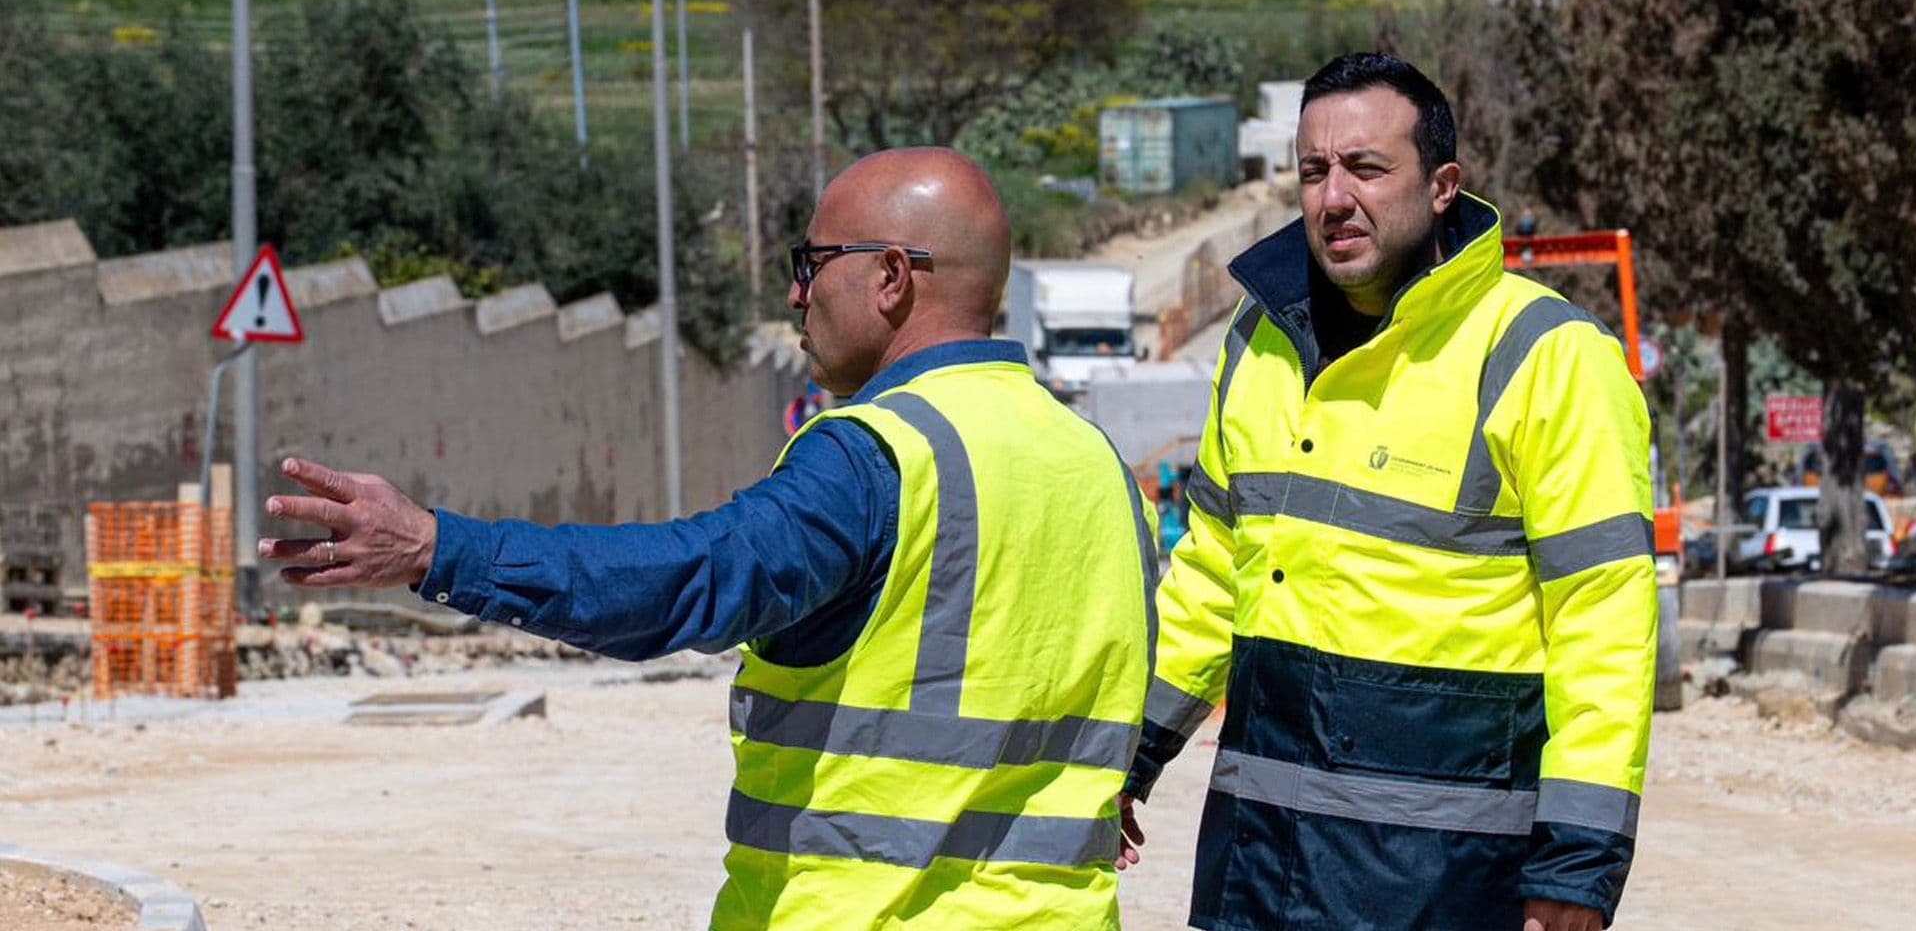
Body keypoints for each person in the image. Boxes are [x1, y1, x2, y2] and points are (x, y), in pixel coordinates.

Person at [261, 147, 1159, 930]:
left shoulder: (878, 455)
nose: (796, 292)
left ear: (891, 276)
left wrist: (436, 549)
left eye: (811, 263)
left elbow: (692, 578)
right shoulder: (1100, 466)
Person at [1118, 54, 1656, 931]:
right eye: (1313, 171)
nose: (1335, 198)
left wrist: (1578, 863)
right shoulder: (1260, 340)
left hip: (1443, 882)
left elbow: (1606, 620)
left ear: (1443, 185)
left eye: (1367, 168)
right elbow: (1213, 571)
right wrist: (1131, 756)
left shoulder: (1545, 356)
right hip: (1255, 866)